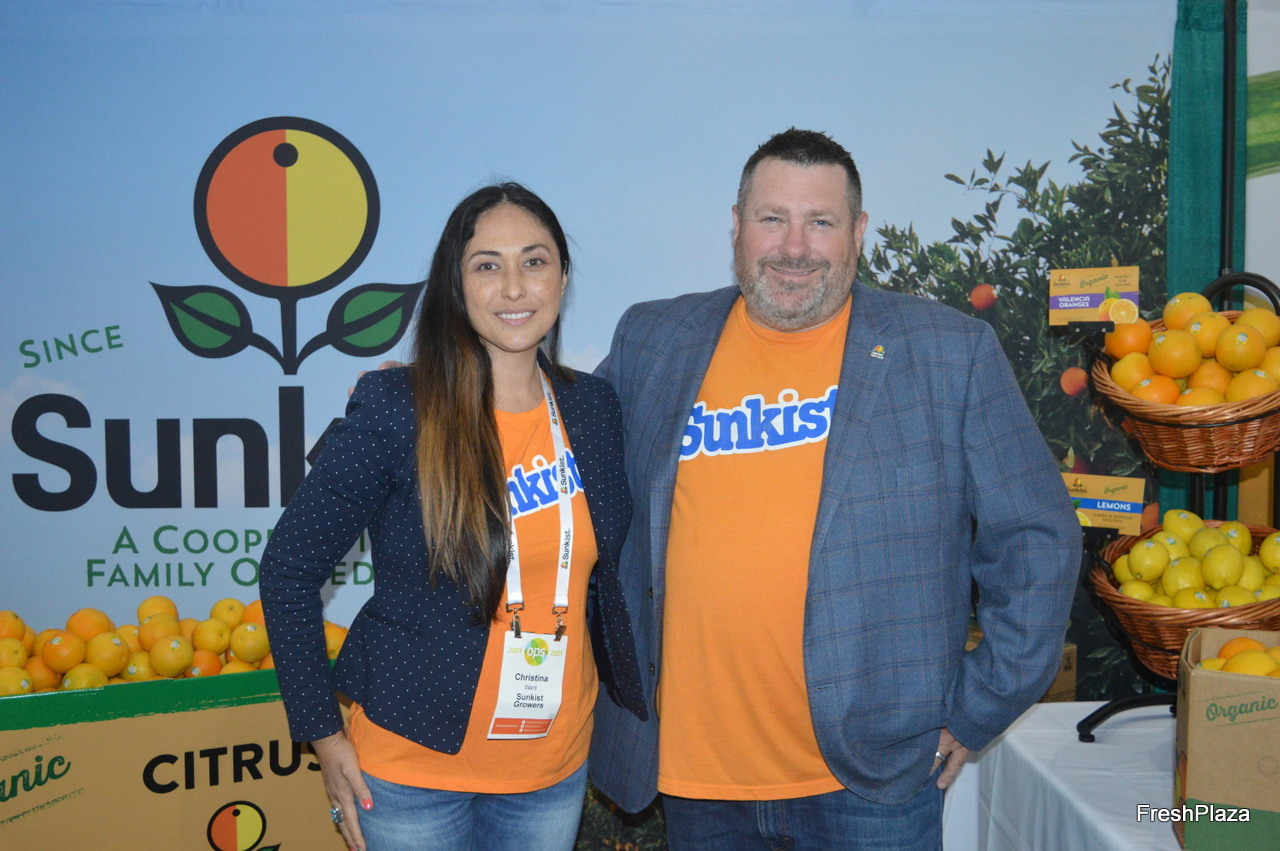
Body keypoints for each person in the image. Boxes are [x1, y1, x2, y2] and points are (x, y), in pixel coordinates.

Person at [586, 129, 1080, 849]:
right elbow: (570, 471)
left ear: (858, 232)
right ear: (736, 225)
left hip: (871, 783)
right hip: (699, 781)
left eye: (820, 221)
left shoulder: (949, 352)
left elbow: (1036, 538)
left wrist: (980, 706)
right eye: (772, 218)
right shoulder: (653, 339)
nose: (794, 247)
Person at [260, 182, 647, 851]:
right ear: (456, 285)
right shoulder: (398, 406)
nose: (515, 287)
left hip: (550, 768)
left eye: (534, 261)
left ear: (562, 277)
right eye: (487, 265)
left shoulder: (593, 409)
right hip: (411, 770)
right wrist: (321, 733)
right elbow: (287, 571)